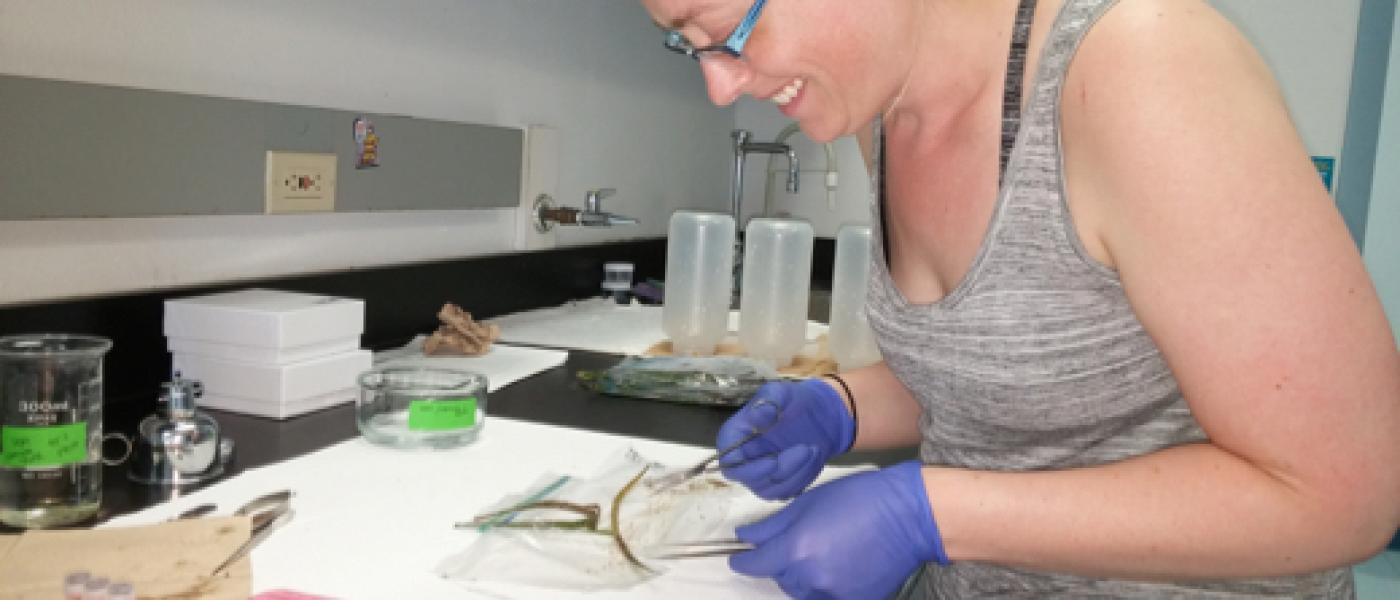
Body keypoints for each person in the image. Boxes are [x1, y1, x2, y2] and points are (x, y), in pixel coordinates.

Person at [640, 0, 1400, 597]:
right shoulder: (880, 111)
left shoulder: (1143, 64)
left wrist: (931, 514)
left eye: (727, 29)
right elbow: (1013, 373)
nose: (719, 85)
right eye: (688, 46)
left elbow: (1346, 497)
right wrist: (840, 407)